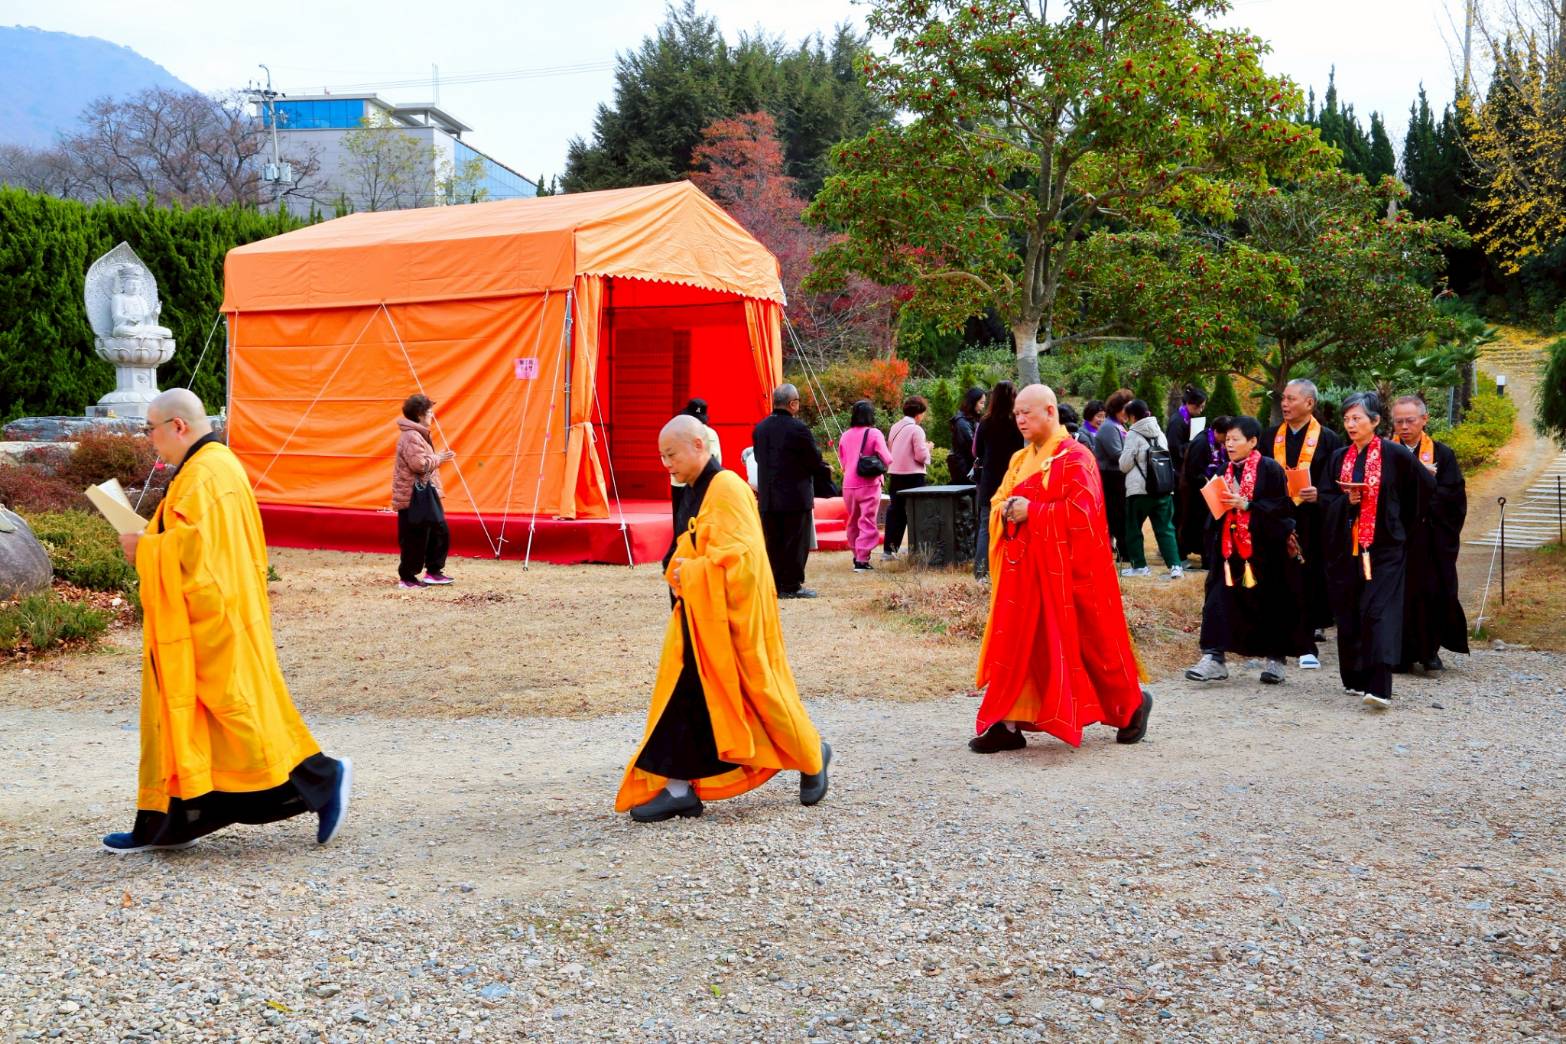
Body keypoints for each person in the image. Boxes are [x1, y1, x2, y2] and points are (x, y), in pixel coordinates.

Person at [103, 389, 351, 853]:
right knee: (194, 722)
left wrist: (145, 548)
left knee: (237, 715)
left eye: (150, 430)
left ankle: (321, 777)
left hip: (212, 622)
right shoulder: (208, 467)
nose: (150, 439)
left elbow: (198, 551)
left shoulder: (207, 473)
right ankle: (168, 823)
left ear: (178, 426)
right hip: (211, 616)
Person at [616, 415, 830, 822]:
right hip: (699, 617)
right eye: (662, 457)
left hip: (733, 618)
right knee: (686, 698)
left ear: (699, 445)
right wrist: (681, 570)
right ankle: (679, 788)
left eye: (672, 454)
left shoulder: (727, 487)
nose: (666, 464)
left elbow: (745, 562)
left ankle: (812, 753)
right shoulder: (694, 490)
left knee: (761, 696)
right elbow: (688, 546)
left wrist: (692, 573)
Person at [971, 384, 1152, 752]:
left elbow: (1084, 516)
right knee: (1018, 645)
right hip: (1024, 572)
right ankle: (1008, 723)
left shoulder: (1076, 457)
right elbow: (998, 501)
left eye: (1027, 413)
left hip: (1069, 572)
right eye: (1016, 414)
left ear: (1050, 411)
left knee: (1093, 646)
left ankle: (1131, 704)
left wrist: (1033, 512)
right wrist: (1006, 511)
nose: (1020, 420)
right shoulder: (1019, 460)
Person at [1320, 392, 1434, 709]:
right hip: (1348, 549)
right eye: (1347, 419)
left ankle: (1380, 687)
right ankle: (1355, 678)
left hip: (1385, 548)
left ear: (1375, 421)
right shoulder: (1339, 457)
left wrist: (1399, 524)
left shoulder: (1394, 454)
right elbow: (1325, 500)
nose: (1350, 424)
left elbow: (1423, 487)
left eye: (1357, 418)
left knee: (1378, 612)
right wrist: (1346, 501)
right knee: (1350, 612)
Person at [1185, 417, 1310, 685]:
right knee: (1217, 600)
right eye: (1227, 439)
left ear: (1252, 442)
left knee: (1270, 604)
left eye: (1236, 439)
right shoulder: (1224, 469)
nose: (1229, 444)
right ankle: (1214, 658)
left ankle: (1275, 659)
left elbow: (1282, 508)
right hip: (1228, 550)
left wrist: (1248, 505)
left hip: (1264, 551)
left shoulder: (1270, 469)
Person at [1262, 378, 1343, 670]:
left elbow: (1339, 483)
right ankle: (1275, 643)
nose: (1284, 404)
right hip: (1277, 518)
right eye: (1283, 398)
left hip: (1313, 521)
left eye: (1291, 399)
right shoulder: (1270, 436)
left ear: (1309, 403)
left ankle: (1307, 642)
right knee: (1276, 579)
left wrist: (1320, 494)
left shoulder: (1330, 440)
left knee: (1308, 580)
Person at [1391, 395, 1469, 672]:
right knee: (1396, 595)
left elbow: (1453, 495)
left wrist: (1420, 489)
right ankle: (1399, 654)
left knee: (1432, 592)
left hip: (1430, 536)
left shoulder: (1442, 454)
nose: (1404, 426)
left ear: (1424, 419)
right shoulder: (1385, 452)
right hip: (1395, 537)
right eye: (1398, 421)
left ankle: (1429, 651)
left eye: (1410, 420)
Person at [752, 384, 832, 599]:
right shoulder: (798, 428)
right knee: (795, 542)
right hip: (794, 496)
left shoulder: (760, 428)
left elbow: (759, 458)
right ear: (793, 403)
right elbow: (813, 459)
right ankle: (791, 585)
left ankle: (774, 584)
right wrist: (825, 470)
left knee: (773, 542)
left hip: (769, 496)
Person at [392, 394, 456, 589]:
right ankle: (408, 577)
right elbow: (418, 465)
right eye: (429, 412)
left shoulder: (418, 434)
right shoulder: (411, 436)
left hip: (424, 493)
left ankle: (433, 572)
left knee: (438, 530)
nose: (432, 415)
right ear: (419, 414)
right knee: (415, 535)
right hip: (413, 495)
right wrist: (439, 458)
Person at [1118, 398, 1183, 579]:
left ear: (1132, 416)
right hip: (1163, 488)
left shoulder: (1133, 434)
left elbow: (1124, 465)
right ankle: (1175, 566)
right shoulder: (1159, 432)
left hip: (1139, 491)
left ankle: (1140, 566)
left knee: (1133, 529)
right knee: (1165, 529)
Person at [972, 381, 1023, 580]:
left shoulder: (986, 422)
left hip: (990, 480)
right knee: (1014, 524)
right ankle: (1010, 567)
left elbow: (976, 451)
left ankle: (981, 572)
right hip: (1013, 478)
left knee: (986, 526)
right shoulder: (1017, 421)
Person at [836, 399, 893, 572]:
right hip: (869, 483)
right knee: (867, 521)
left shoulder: (845, 435)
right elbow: (887, 458)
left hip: (848, 484)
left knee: (853, 521)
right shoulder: (874, 433)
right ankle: (862, 559)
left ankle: (856, 554)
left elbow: (843, 461)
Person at [1178, 415, 1232, 570]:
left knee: (1206, 525)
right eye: (1225, 437)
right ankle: (1182, 556)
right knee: (1191, 523)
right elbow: (1193, 470)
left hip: (1210, 488)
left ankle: (1207, 556)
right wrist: (1208, 483)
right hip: (1194, 490)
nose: (1227, 441)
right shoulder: (1201, 443)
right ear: (1216, 431)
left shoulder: (1217, 443)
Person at [881, 396, 931, 560]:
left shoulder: (895, 427)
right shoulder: (916, 429)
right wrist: (928, 448)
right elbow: (920, 456)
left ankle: (889, 550)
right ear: (919, 413)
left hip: (895, 473)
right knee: (916, 512)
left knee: (896, 511)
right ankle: (917, 549)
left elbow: (890, 449)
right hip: (913, 475)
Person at [1094, 389, 1134, 560]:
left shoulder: (1118, 425)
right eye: (1126, 409)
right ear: (1117, 408)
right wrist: (1136, 454)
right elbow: (1117, 454)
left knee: (1122, 515)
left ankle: (1125, 551)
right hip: (1111, 478)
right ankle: (1124, 553)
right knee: (1117, 516)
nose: (1128, 413)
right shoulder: (1109, 427)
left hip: (1119, 477)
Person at [671, 397, 722, 513]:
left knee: (680, 519)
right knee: (701, 517)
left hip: (679, 482)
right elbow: (717, 461)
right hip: (703, 484)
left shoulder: (678, 431)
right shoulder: (711, 433)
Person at [1165, 385, 1208, 471]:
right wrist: (1193, 444)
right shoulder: (1177, 421)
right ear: (1190, 403)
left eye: (1203, 407)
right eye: (1200, 407)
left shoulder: (1187, 418)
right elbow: (1174, 448)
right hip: (1177, 469)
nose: (1201, 410)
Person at [948, 387, 985, 484]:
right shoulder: (962, 422)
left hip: (969, 468)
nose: (983, 406)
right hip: (964, 470)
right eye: (981, 403)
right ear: (973, 402)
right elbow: (973, 446)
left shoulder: (972, 419)